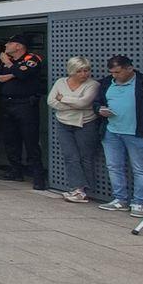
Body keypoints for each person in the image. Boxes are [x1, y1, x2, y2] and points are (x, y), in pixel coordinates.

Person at [95, 55, 143, 217]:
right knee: (114, 166)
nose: (115, 76)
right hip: (112, 130)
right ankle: (120, 199)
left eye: (118, 72)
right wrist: (99, 110)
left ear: (130, 68)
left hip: (138, 132)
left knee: (140, 169)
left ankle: (139, 202)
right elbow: (97, 102)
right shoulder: (107, 82)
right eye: (112, 72)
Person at [0, 34, 47, 189]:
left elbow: (24, 74)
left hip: (26, 105)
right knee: (11, 140)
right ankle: (15, 171)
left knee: (30, 141)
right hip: (8, 104)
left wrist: (10, 67)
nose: (6, 47)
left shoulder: (32, 58)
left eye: (9, 44)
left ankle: (38, 177)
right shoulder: (9, 62)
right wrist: (13, 73)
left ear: (18, 46)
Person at [47, 56, 100, 203]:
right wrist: (73, 104)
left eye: (86, 70)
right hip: (63, 123)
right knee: (70, 156)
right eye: (79, 71)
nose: (84, 74)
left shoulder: (93, 85)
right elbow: (51, 101)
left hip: (85, 123)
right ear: (71, 71)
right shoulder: (60, 82)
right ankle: (77, 188)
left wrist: (63, 98)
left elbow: (84, 103)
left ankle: (86, 189)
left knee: (85, 157)